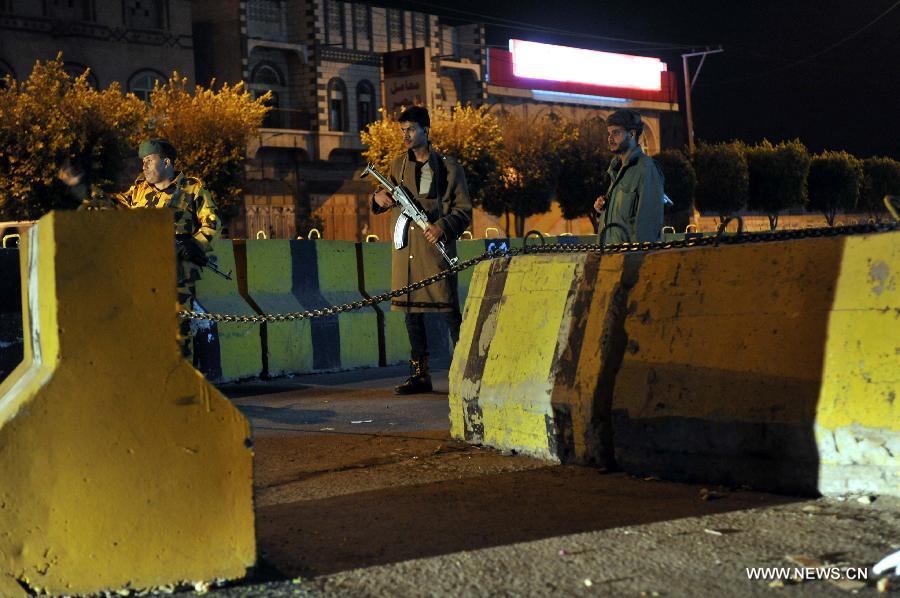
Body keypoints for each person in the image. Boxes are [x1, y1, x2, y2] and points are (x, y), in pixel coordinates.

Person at [60, 138, 220, 359]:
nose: (143, 166)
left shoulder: (192, 188)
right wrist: (82, 187)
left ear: (165, 162)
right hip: (141, 270)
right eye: (142, 161)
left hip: (177, 273)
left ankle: (180, 379)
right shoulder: (139, 190)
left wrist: (194, 245)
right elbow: (110, 205)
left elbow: (212, 223)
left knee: (177, 332)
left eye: (149, 160)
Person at [372, 106, 472, 394]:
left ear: (426, 131)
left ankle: (469, 370)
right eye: (403, 130)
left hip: (434, 249)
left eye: (411, 129)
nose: (406, 135)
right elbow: (383, 197)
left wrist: (443, 226)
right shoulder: (396, 165)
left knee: (448, 310)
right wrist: (379, 199)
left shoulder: (448, 167)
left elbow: (463, 210)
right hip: (406, 254)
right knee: (410, 313)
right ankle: (420, 374)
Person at [594, 110, 664, 244]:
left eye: (616, 132)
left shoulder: (646, 169)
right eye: (609, 133)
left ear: (631, 134)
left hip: (630, 261)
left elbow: (648, 226)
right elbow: (622, 219)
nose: (610, 138)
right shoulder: (616, 169)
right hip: (610, 259)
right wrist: (602, 210)